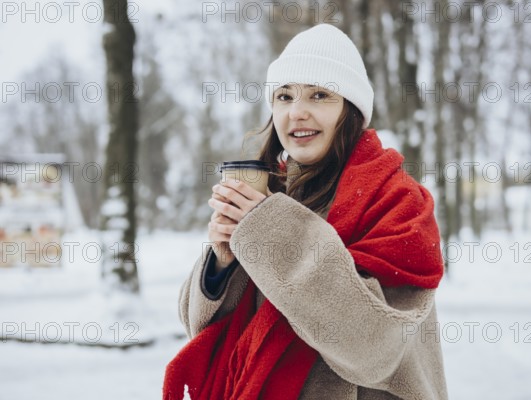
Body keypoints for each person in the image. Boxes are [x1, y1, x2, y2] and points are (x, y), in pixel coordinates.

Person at [163, 23, 448, 400]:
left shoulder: (398, 202)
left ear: (350, 109)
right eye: (284, 97)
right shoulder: (271, 197)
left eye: (319, 95)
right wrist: (222, 264)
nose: (297, 112)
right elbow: (203, 329)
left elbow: (372, 348)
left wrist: (270, 236)